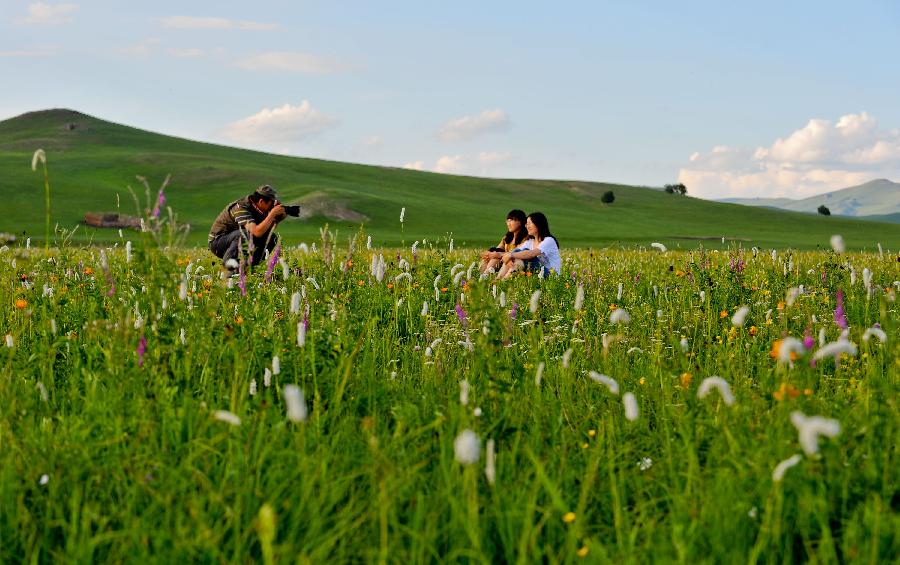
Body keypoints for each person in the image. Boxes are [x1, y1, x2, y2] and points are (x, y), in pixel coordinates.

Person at [208, 185, 287, 270]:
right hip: (218, 241)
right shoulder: (241, 207)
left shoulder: (259, 209)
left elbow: (266, 230)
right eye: (271, 204)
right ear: (261, 201)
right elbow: (257, 232)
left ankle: (249, 268)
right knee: (244, 234)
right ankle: (229, 268)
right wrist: (272, 214)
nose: (272, 207)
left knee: (271, 237)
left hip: (235, 239)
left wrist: (278, 217)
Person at [497, 212, 561, 278]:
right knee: (517, 253)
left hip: (551, 276)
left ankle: (504, 281)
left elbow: (532, 254)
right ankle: (499, 280)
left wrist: (511, 255)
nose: (526, 226)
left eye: (529, 223)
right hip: (536, 274)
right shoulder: (530, 242)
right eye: (526, 224)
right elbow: (514, 251)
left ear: (538, 224)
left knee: (524, 252)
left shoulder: (549, 240)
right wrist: (508, 257)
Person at [480, 209, 528, 274]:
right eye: (507, 221)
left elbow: (518, 254)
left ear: (520, 222)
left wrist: (498, 254)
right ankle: (482, 276)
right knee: (491, 258)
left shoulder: (526, 239)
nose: (508, 224)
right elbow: (498, 249)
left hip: (516, 263)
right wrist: (489, 253)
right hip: (504, 262)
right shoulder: (507, 237)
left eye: (511, 220)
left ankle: (489, 278)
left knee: (496, 257)